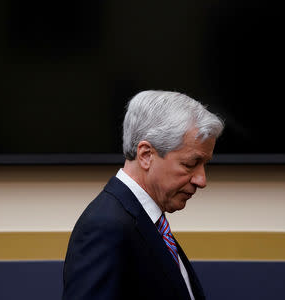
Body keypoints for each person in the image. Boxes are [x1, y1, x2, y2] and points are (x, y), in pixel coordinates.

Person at [62, 90, 224, 300]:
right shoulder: (105, 226)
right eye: (190, 164)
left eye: (204, 165)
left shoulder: (145, 218)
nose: (201, 180)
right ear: (146, 155)